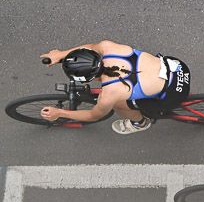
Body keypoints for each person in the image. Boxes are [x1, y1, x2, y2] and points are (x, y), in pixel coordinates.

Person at [38, 41, 191, 134]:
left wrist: (60, 113)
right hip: (177, 67)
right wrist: (61, 54)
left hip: (175, 92)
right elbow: (90, 47)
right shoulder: (108, 47)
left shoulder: (110, 93)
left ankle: (140, 123)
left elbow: (93, 115)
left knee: (119, 104)